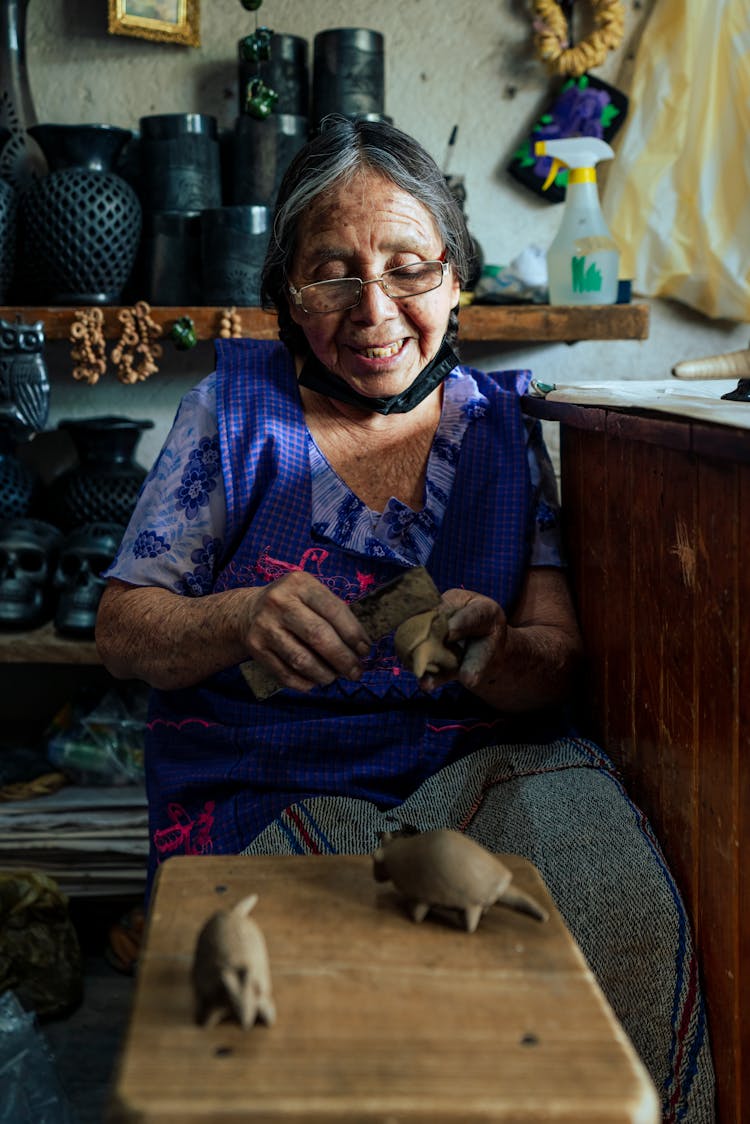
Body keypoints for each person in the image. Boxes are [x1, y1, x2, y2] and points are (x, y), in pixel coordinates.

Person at [95, 117, 714, 1120]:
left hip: (477, 766)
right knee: (313, 1009)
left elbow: (555, 659)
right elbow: (124, 627)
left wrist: (501, 652)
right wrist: (237, 617)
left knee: (616, 901)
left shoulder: (505, 427)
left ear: (457, 279)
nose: (373, 308)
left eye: (409, 267)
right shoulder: (233, 412)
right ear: (287, 297)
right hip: (266, 773)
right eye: (331, 272)